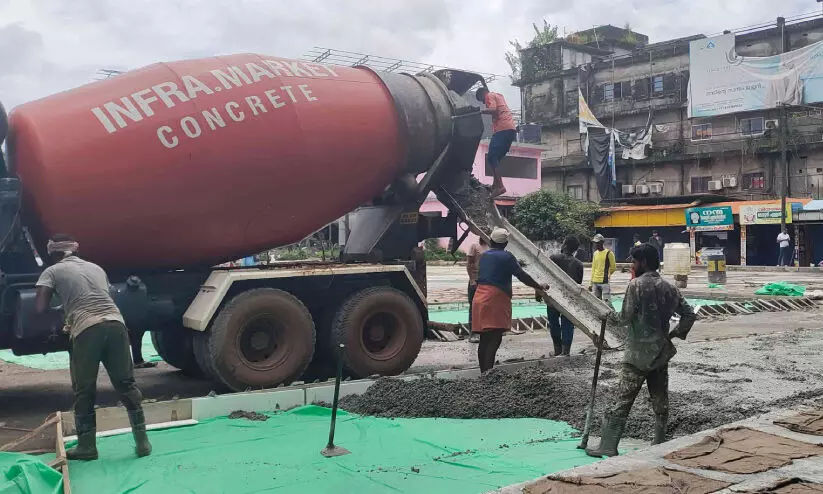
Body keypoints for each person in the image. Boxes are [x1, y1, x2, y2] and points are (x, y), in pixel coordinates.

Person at [35, 235, 151, 461]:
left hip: (88, 329)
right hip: (116, 325)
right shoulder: (96, 268)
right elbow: (101, 295)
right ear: (75, 250)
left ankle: (87, 447)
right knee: (126, 384)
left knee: (85, 389)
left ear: (53, 254)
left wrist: (62, 311)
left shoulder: (51, 271)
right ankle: (142, 443)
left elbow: (40, 307)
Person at [586, 244, 696, 458]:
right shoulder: (669, 288)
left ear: (643, 262)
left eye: (634, 262)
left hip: (637, 354)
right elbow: (689, 314)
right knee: (660, 401)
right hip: (660, 352)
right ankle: (659, 442)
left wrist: (607, 316)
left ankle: (608, 445)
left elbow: (625, 317)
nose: (632, 267)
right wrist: (674, 334)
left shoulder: (636, 285)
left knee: (622, 401)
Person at [472, 228, 548, 372]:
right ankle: (488, 375)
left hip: (480, 297)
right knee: (495, 337)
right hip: (495, 298)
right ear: (505, 243)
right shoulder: (507, 257)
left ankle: (483, 373)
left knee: (484, 339)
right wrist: (538, 286)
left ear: (491, 241)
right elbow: (522, 276)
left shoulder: (484, 255)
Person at [538, 235, 584, 357]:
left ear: (565, 245)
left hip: (554, 297)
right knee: (568, 323)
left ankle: (557, 350)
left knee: (554, 323)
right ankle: (566, 351)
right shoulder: (579, 264)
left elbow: (545, 276)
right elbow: (578, 284)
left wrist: (538, 292)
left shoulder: (554, 258)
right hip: (570, 299)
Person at [476, 87, 517, 198]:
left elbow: (493, 110)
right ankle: (495, 185)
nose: (484, 103)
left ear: (482, 94)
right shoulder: (499, 95)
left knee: (491, 156)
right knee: (496, 158)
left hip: (502, 129)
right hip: (510, 130)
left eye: (482, 100)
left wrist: (480, 111)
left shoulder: (489, 96)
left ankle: (500, 186)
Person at [466, 234, 489, 344]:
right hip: (476, 280)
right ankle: (473, 333)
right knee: (474, 307)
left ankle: (485, 332)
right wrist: (472, 279)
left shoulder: (490, 247)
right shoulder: (474, 246)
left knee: (486, 307)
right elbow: (469, 263)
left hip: (487, 281)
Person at [590, 234, 616, 305]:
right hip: (595, 282)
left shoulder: (609, 253)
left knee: (607, 303)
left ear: (602, 242)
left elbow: (613, 267)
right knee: (596, 304)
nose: (596, 244)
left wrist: (607, 274)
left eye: (597, 243)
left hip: (604, 282)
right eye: (595, 243)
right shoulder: (595, 253)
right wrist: (591, 283)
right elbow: (593, 268)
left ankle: (612, 315)